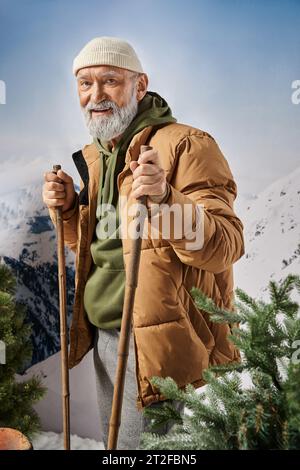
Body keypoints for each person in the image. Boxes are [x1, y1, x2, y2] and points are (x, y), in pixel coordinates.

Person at [42, 36, 245, 450]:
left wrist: (166, 201)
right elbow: (99, 249)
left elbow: (226, 244)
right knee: (118, 448)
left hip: (154, 340)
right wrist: (67, 213)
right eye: (85, 84)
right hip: (105, 335)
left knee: (146, 453)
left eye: (110, 81)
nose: (96, 95)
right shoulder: (97, 155)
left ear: (140, 86)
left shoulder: (187, 145)